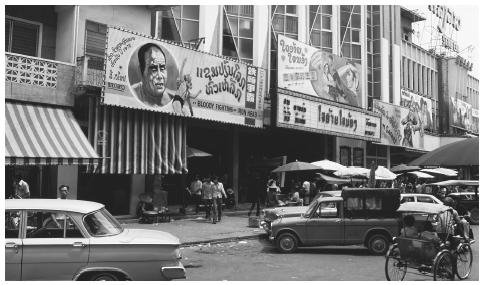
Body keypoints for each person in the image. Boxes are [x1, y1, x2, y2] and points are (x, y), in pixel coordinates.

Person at [132, 43, 173, 107]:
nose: (160, 76)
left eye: (162, 68)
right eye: (153, 69)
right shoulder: (131, 95)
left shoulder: (173, 100)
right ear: (141, 72)